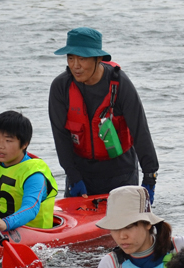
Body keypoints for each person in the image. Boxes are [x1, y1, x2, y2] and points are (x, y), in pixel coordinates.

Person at [48, 27, 159, 203]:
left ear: (98, 59)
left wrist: (149, 175)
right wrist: (73, 175)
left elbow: (140, 130)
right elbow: (60, 136)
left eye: (82, 58)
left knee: (123, 228)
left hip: (120, 171)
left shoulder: (120, 84)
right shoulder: (60, 87)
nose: (75, 65)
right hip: (81, 172)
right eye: (70, 58)